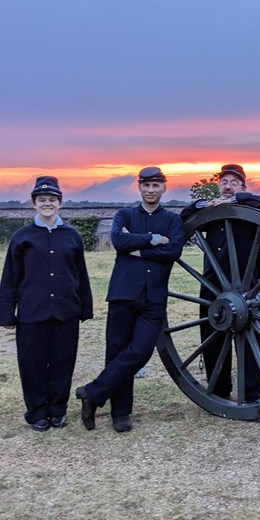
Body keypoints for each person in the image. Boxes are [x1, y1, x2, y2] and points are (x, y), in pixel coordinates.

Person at [75, 166, 183, 432]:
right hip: (123, 293)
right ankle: (120, 414)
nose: (150, 190)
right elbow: (118, 241)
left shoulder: (172, 219)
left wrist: (138, 252)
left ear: (164, 188)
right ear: (139, 187)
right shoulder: (125, 214)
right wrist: (153, 239)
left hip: (153, 296)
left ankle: (92, 392)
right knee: (116, 351)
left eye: (156, 185)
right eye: (146, 185)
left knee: (141, 351)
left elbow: (174, 250)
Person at [0, 176, 93, 431]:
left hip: (66, 311)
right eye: (42, 199)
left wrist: (85, 308)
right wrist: (7, 314)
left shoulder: (71, 236)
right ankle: (37, 412)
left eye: (52, 199)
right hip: (32, 312)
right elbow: (10, 278)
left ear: (60, 203)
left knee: (63, 362)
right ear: (34, 203)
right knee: (32, 365)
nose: (47, 204)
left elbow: (81, 275)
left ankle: (57, 409)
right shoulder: (22, 237)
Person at [180, 164, 260, 403]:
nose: (228, 186)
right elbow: (184, 217)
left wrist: (237, 199)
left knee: (251, 339)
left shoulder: (250, 205)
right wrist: (204, 204)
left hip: (246, 284)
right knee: (213, 334)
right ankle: (219, 389)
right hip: (213, 284)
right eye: (224, 182)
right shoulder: (210, 213)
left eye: (234, 182)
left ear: (243, 186)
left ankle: (251, 392)